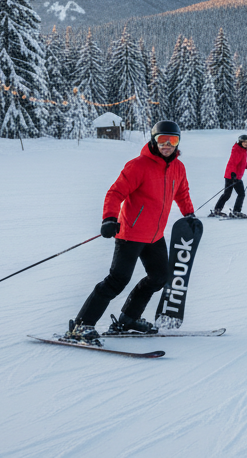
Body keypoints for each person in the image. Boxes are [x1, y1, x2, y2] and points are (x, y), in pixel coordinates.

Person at [64, 120, 194, 345]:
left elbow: (181, 192)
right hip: (130, 234)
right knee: (117, 280)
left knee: (159, 277)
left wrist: (189, 214)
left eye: (172, 140)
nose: (167, 145)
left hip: (155, 236)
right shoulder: (138, 165)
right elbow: (115, 193)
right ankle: (81, 325)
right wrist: (109, 219)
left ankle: (128, 318)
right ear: (153, 140)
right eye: (162, 140)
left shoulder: (178, 168)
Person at [211, 134, 247, 218]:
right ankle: (235, 211)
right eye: (244, 142)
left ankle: (218, 210)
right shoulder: (237, 150)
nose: (246, 143)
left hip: (235, 176)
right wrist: (233, 175)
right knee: (240, 194)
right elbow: (232, 164)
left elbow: (243, 164)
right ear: (240, 142)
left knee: (228, 194)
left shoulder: (242, 151)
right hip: (232, 176)